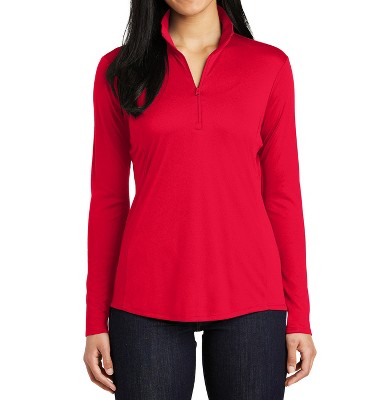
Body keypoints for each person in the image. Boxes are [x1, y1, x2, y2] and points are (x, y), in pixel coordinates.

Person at [83, 1, 317, 399]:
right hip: (145, 297)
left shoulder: (269, 66)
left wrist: (299, 316)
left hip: (252, 295)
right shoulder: (120, 70)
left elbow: (283, 198)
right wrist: (94, 319)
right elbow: (108, 200)